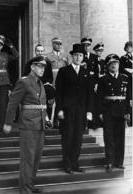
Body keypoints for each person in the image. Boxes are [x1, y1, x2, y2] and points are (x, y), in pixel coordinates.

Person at [3, 56, 48, 194]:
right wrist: (8, 123)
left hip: (40, 125)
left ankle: (30, 184)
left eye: (43, 67)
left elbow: (41, 105)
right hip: (28, 125)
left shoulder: (40, 83)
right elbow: (12, 104)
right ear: (32, 67)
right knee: (28, 158)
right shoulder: (24, 82)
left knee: (36, 158)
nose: (42, 69)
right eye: (39, 66)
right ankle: (25, 189)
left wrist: (46, 118)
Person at [55, 43, 94, 174]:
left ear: (83, 57)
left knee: (78, 137)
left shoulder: (87, 73)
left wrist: (89, 111)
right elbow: (58, 92)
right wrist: (59, 109)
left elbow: (90, 94)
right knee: (67, 136)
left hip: (81, 111)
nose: (78, 57)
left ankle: (75, 163)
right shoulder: (63, 71)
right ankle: (67, 164)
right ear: (72, 56)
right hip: (67, 110)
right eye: (76, 55)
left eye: (81, 55)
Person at [97, 54, 131, 173]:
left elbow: (129, 98)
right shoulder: (102, 79)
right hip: (108, 111)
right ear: (107, 66)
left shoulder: (125, 78)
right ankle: (110, 162)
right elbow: (99, 97)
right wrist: (100, 112)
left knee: (120, 138)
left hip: (121, 111)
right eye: (111, 63)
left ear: (119, 64)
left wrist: (128, 112)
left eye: (116, 63)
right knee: (109, 137)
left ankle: (119, 162)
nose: (114, 65)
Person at [0, 35, 19, 134]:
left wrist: (11, 47)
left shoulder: (5, 55)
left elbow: (16, 56)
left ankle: (1, 126)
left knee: (3, 105)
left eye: (1, 44)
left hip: (4, 82)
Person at [47, 37, 68, 127]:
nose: (59, 46)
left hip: (62, 82)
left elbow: (67, 69)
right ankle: (47, 121)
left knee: (60, 101)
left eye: (60, 44)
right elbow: (47, 71)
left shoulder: (65, 56)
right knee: (50, 102)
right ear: (53, 44)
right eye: (57, 44)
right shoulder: (48, 56)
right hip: (52, 80)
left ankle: (57, 121)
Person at [35, 44, 55, 122]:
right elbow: (27, 76)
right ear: (35, 52)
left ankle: (47, 120)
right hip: (35, 85)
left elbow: (50, 77)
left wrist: (48, 83)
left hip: (45, 85)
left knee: (50, 93)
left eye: (41, 51)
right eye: (38, 51)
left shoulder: (48, 63)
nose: (40, 53)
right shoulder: (31, 63)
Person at [120, 41, 133, 126]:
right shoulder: (123, 58)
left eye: (131, 47)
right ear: (125, 48)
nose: (129, 48)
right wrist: (130, 73)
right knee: (129, 99)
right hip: (128, 80)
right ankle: (129, 120)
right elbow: (121, 69)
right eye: (128, 47)